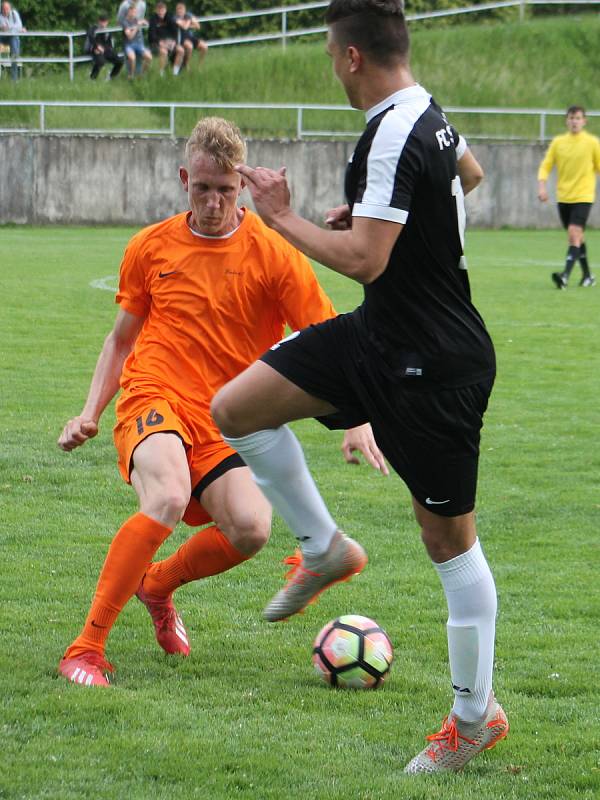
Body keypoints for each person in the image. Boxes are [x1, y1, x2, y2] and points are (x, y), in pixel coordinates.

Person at [211, 0, 508, 775]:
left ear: (350, 58)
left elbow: (367, 261)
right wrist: (384, 213)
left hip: (434, 364)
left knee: (448, 540)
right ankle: (323, 546)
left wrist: (281, 216)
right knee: (236, 408)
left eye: (328, 56)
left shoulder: (392, 128)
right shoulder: (429, 115)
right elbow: (466, 176)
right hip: (377, 339)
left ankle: (474, 719)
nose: (330, 70)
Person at [57, 116, 383, 689]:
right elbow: (121, 339)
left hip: (224, 418)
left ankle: (156, 586)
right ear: (185, 178)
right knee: (166, 496)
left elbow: (330, 337)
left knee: (252, 529)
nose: (213, 202)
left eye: (225, 191)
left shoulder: (274, 253)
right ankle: (86, 648)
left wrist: (357, 420)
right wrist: (90, 412)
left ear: (243, 187)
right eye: (202, 188)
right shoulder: (151, 246)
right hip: (153, 394)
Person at [538, 105, 600, 289]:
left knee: (574, 234)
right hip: (563, 197)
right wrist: (542, 186)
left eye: (578, 118)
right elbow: (546, 166)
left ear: (584, 121)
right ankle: (588, 276)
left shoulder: (592, 143)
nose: (575, 121)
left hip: (584, 196)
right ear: (567, 120)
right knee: (577, 237)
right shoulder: (558, 142)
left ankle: (564, 276)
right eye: (572, 118)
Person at [148, 1, 184, 76]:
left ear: (166, 10)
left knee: (181, 50)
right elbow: (151, 35)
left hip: (170, 42)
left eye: (163, 10)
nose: (161, 12)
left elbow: (175, 32)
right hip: (156, 43)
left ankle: (175, 73)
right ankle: (161, 74)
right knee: (164, 52)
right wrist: (160, 42)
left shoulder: (169, 17)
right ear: (156, 10)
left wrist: (174, 41)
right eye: (159, 10)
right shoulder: (153, 19)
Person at [85, 12, 124, 81]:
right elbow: (90, 35)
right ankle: (92, 78)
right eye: (102, 21)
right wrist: (97, 47)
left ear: (107, 22)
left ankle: (111, 76)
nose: (103, 24)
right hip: (95, 50)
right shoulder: (94, 28)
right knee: (101, 61)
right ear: (98, 21)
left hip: (106, 50)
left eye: (105, 22)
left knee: (120, 61)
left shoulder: (108, 31)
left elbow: (110, 44)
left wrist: (106, 49)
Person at [175, 2, 207, 70]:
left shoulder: (188, 15)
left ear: (185, 10)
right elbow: (184, 27)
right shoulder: (175, 17)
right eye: (179, 10)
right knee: (190, 46)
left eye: (182, 9)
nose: (180, 11)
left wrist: (188, 23)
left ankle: (200, 67)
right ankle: (186, 65)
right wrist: (190, 22)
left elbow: (198, 26)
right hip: (181, 38)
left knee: (204, 47)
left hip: (190, 36)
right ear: (176, 11)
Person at [122, 3, 151, 78]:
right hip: (129, 45)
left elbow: (148, 24)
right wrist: (137, 26)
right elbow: (130, 37)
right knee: (132, 58)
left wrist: (144, 22)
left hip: (139, 44)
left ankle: (142, 74)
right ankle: (131, 75)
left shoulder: (137, 19)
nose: (134, 13)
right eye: (132, 12)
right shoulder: (125, 22)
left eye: (135, 12)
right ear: (129, 12)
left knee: (149, 57)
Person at [0, 1, 25, 82]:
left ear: (10, 8)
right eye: (4, 9)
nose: (5, 10)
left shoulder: (14, 14)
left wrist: (10, 28)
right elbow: (4, 29)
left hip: (12, 37)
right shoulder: (0, 16)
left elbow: (19, 25)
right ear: (1, 9)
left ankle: (14, 79)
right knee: (14, 37)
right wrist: (17, 29)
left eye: (7, 8)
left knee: (14, 41)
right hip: (2, 38)